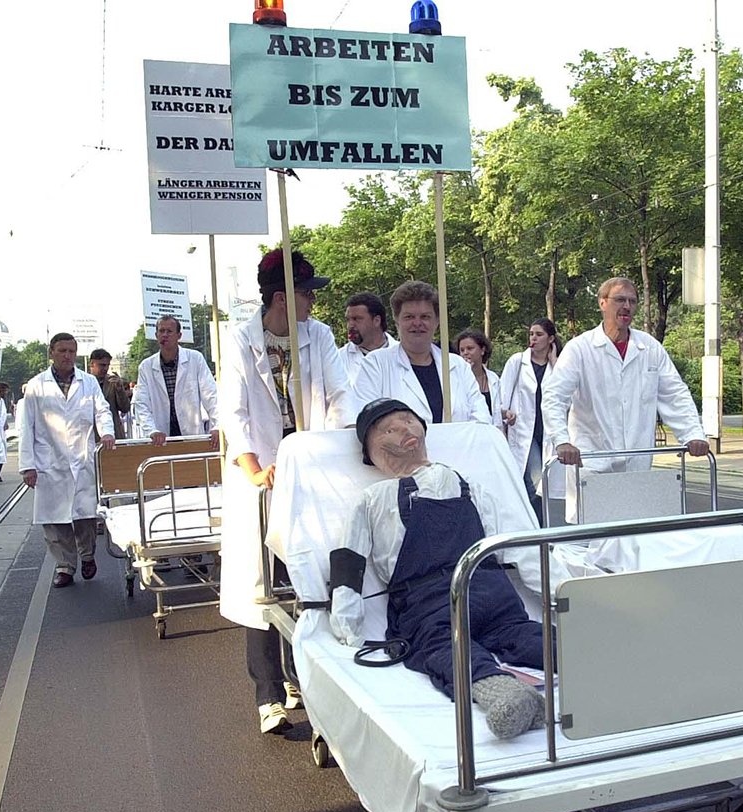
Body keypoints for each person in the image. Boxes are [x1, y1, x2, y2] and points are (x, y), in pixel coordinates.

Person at [329, 398, 551, 739]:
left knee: (519, 635)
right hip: (432, 600)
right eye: (388, 429)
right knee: (449, 644)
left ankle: (592, 657)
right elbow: (348, 563)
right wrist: (348, 630)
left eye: (408, 421)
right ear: (372, 455)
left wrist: (557, 593)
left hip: (483, 590)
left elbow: (513, 548)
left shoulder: (471, 487)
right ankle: (501, 691)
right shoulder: (374, 498)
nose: (403, 429)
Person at [220, 248, 348, 735]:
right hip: (261, 478)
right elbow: (234, 412)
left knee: (307, 582)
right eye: (307, 293)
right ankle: (268, 694)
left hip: (310, 473)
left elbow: (339, 397)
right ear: (281, 298)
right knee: (261, 586)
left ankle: (301, 677)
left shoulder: (320, 336)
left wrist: (332, 449)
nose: (313, 302)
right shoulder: (239, 342)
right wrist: (255, 468)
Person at [542, 276, 708, 518]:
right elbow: (554, 397)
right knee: (593, 542)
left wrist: (693, 434)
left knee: (635, 538)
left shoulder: (650, 348)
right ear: (602, 303)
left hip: (637, 464)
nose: (627, 306)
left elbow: (675, 394)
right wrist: (562, 441)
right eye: (620, 299)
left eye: (632, 301)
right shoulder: (580, 349)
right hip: (593, 461)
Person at [19, 333, 116, 588]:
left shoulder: (89, 383)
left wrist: (106, 432)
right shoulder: (36, 386)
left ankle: (87, 556)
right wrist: (27, 465)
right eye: (62, 350)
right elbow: (26, 427)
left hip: (81, 456)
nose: (67, 356)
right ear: (51, 352)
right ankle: (65, 565)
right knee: (55, 520)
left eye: (71, 351)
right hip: (49, 460)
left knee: (85, 515)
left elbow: (102, 410)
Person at [350, 280, 489, 426]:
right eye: (409, 317)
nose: (417, 323)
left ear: (437, 321)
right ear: (397, 320)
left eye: (425, 317)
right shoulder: (375, 365)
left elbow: (482, 419)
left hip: (460, 448)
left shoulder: (458, 366)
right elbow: (368, 421)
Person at [500, 317, 565, 524]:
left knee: (544, 484)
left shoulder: (559, 366)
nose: (533, 338)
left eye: (539, 334)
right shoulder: (518, 362)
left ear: (551, 339)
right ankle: (533, 527)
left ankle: (536, 528)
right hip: (523, 433)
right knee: (536, 480)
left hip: (548, 433)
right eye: (531, 334)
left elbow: (567, 398)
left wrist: (556, 364)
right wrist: (505, 413)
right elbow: (503, 394)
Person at [132, 315, 218, 444]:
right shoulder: (146, 367)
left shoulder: (195, 359)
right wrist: (151, 430)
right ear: (156, 335)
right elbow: (142, 403)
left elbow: (211, 395)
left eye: (169, 331)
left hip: (191, 434)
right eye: (161, 331)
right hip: (160, 437)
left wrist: (217, 426)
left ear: (179, 335)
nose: (165, 335)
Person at [339, 291, 398, 385]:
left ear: (377, 321)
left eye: (356, 319)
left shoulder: (404, 354)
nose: (350, 325)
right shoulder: (339, 359)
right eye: (348, 320)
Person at [455, 328, 503, 428]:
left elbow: (496, 412)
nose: (465, 353)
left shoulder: (493, 378)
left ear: (482, 350)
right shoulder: (456, 379)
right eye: (462, 350)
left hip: (491, 434)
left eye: (470, 348)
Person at [88, 349, 131, 440]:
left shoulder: (113, 382)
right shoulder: (83, 383)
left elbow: (125, 408)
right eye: (102, 365)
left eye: (108, 365)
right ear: (92, 363)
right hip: (90, 436)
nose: (106, 368)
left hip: (114, 435)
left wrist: (120, 390)